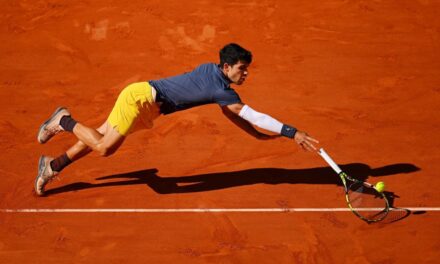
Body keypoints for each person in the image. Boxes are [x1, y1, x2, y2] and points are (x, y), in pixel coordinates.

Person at [35, 43, 318, 196]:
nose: (246, 74)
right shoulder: (219, 90)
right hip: (140, 99)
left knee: (97, 136)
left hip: (148, 107)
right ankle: (64, 120)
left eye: (247, 70)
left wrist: (253, 134)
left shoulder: (212, 73)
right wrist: (292, 132)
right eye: (242, 69)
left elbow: (233, 113)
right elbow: (249, 113)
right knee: (105, 147)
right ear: (227, 67)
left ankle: (52, 165)